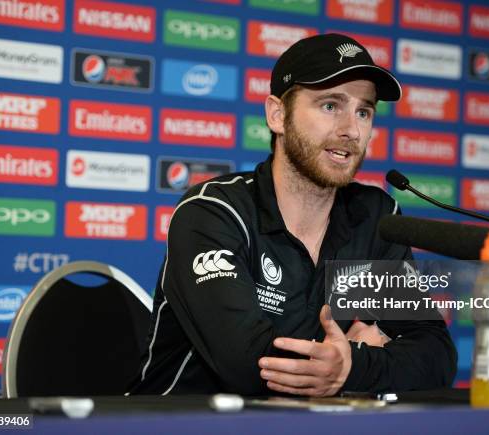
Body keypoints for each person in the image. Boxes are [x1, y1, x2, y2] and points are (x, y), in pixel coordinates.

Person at [130, 33, 456, 397]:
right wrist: (364, 353)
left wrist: (351, 365)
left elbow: (437, 356)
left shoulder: (375, 218)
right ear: (277, 115)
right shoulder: (213, 213)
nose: (351, 129)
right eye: (330, 106)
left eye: (363, 111)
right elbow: (249, 367)